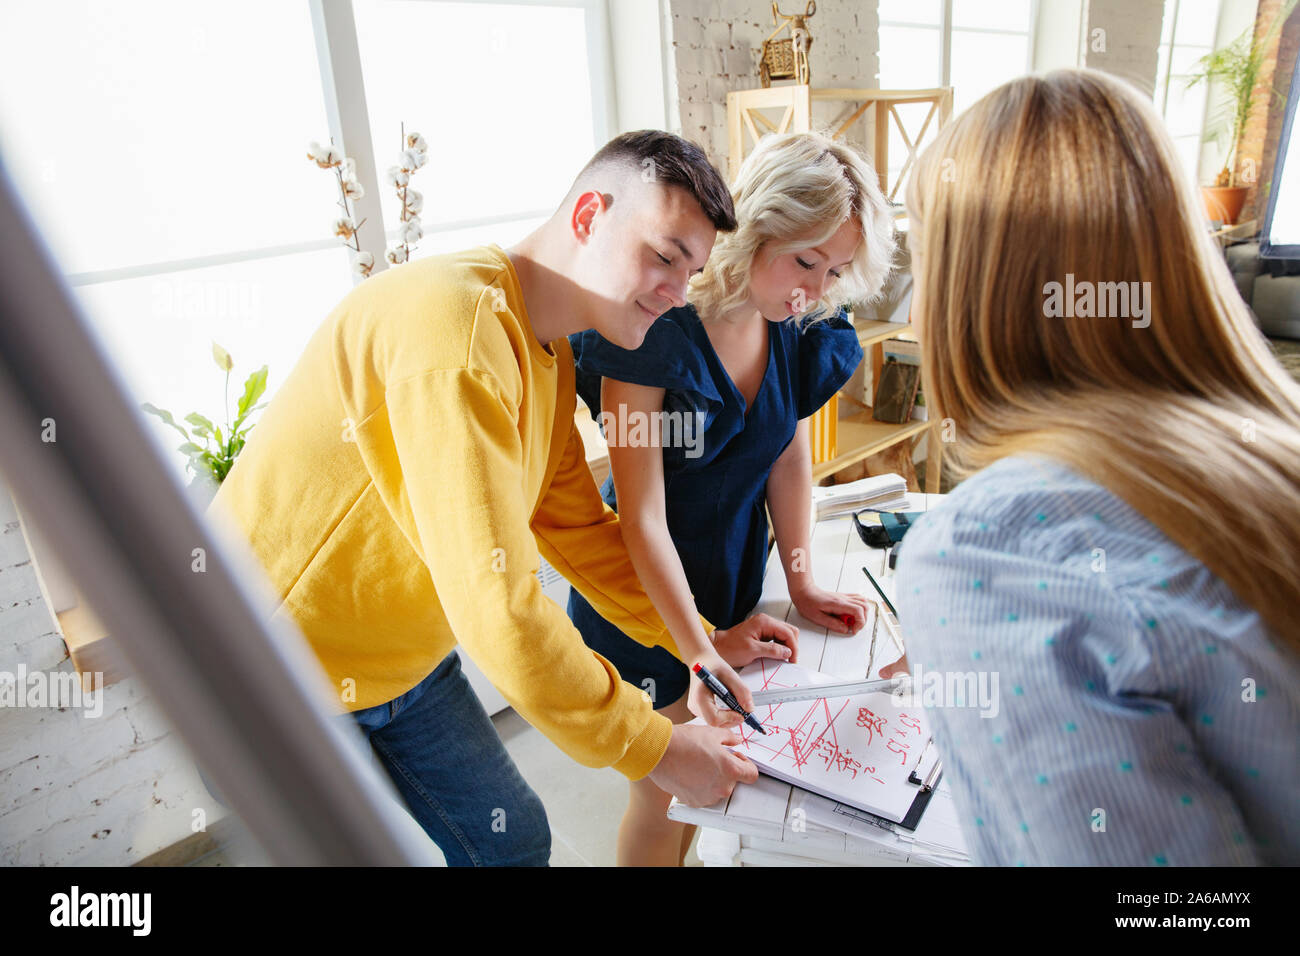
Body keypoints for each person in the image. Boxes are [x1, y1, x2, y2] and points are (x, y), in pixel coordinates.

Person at [209, 130, 800, 866]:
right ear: (588, 216)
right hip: (269, 671)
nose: (678, 293)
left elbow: (581, 531)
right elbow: (501, 609)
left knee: (513, 842)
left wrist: (701, 644)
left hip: (403, 660)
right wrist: (657, 749)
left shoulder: (541, 354)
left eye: (693, 273)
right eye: (664, 257)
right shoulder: (455, 332)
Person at [894, 68, 1300, 865]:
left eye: (923, 260)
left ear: (971, 289)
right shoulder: (1269, 453)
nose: (913, 308)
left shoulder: (988, 551)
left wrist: (987, 623)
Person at [567, 131, 897, 865]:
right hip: (646, 610)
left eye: (835, 270)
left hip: (730, 592)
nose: (815, 286)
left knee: (718, 789)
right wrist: (698, 652)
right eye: (804, 260)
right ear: (755, 227)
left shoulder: (795, 325)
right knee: (666, 795)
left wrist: (803, 577)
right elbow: (640, 516)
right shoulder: (651, 327)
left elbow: (784, 449)